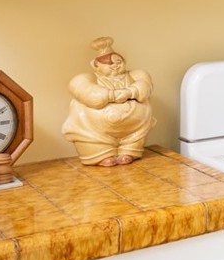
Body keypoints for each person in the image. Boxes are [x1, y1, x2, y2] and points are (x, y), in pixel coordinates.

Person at [62, 37, 156, 166]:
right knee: (91, 136)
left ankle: (128, 151)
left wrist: (130, 92)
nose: (115, 66)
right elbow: (82, 88)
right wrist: (111, 95)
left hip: (134, 128)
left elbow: (145, 86)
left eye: (118, 62)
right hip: (95, 130)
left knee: (134, 137)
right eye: (109, 64)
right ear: (96, 66)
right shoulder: (88, 78)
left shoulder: (135, 74)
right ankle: (101, 154)